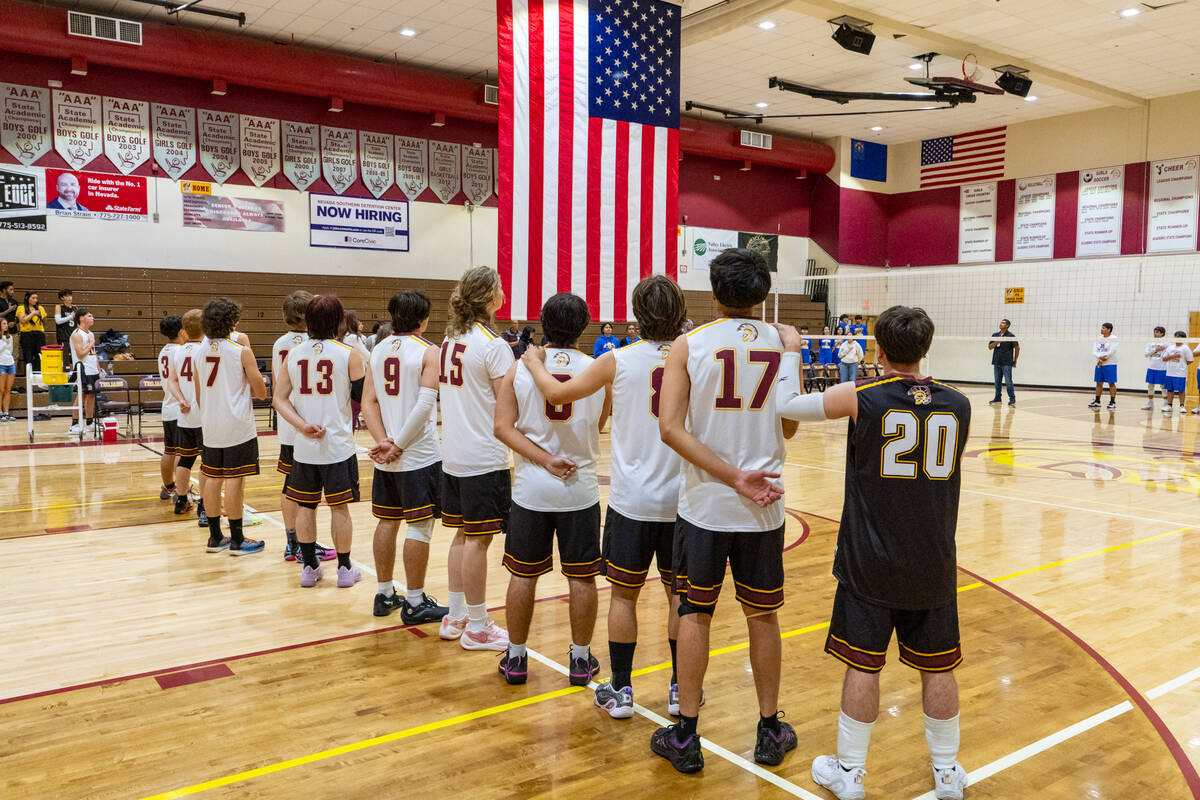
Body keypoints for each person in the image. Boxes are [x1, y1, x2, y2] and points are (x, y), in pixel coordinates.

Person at [774, 305, 971, 800]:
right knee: (938, 666)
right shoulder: (960, 404)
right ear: (926, 348)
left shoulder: (861, 397)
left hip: (871, 559)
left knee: (863, 664)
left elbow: (789, 407)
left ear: (877, 350)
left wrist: (793, 350)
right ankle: (947, 774)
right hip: (934, 559)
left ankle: (851, 773)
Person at [651, 248, 796, 774]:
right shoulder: (783, 344)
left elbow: (670, 429)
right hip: (765, 507)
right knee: (763, 616)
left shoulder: (688, 345)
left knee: (695, 613)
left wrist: (731, 476)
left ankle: (687, 735)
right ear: (762, 295)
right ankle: (768, 728)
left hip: (707, 506)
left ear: (713, 293)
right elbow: (791, 424)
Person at [521, 275, 689, 717]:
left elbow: (556, 392)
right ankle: (678, 688)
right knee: (679, 597)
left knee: (624, 597)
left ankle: (621, 689)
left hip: (633, 500)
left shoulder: (617, 360)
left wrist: (535, 359)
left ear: (636, 314)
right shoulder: (694, 358)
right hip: (683, 499)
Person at [495, 292, 611, 685]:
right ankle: (580, 660)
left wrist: (544, 459)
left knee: (523, 576)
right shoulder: (598, 369)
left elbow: (502, 428)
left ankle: (515, 657)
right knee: (582, 578)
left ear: (543, 322)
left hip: (532, 490)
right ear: (585, 327)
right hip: (579, 489)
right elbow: (598, 425)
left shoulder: (521, 368)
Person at [437, 266, 514, 650]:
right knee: (478, 541)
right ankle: (479, 626)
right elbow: (508, 402)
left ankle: (456, 616)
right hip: (483, 455)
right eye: (499, 288)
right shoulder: (493, 345)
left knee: (462, 534)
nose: (504, 293)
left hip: (452, 452)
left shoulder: (451, 337)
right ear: (489, 298)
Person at [361, 290, 449, 623]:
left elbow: (368, 402)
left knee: (387, 520)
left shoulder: (378, 348)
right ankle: (414, 602)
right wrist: (397, 443)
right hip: (418, 453)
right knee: (419, 526)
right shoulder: (429, 350)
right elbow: (425, 403)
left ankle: (384, 593)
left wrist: (383, 440)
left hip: (388, 453)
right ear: (423, 319)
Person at [273, 295, 366, 588]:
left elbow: (278, 399)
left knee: (306, 506)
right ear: (339, 320)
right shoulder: (349, 353)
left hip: (305, 447)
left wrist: (301, 425)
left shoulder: (294, 354)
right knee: (340, 508)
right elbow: (362, 399)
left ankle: (310, 568)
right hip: (337, 444)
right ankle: (344, 569)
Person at [196, 297, 268, 556]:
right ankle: (237, 539)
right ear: (232, 322)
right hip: (236, 424)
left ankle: (216, 538)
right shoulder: (240, 350)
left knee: (213, 480)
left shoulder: (198, 351)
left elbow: (198, 393)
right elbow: (260, 392)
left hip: (211, 425)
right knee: (235, 481)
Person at [271, 290, 336, 565]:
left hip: (289, 421)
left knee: (291, 485)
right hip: (312, 419)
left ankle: (292, 542)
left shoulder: (279, 344)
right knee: (310, 492)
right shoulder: (317, 345)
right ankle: (304, 544)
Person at [166, 309, 209, 524]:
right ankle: (204, 506)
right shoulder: (205, 351)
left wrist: (181, 399)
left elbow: (172, 381)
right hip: (203, 415)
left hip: (185, 414)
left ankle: (181, 500)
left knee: (186, 458)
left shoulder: (179, 351)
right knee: (207, 463)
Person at [157, 315, 186, 503]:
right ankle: (181, 493)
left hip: (167, 406)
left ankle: (167, 487)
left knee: (169, 450)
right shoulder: (181, 352)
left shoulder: (163, 351)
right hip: (180, 407)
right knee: (183, 452)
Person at [68, 308, 98, 435]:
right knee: (81, 395)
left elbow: (94, 354)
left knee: (91, 396)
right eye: (90, 316)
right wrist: (91, 344)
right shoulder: (76, 334)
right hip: (82, 369)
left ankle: (90, 422)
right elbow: (80, 354)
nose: (93, 318)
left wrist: (98, 369)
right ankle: (74, 424)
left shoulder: (90, 334)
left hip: (93, 369)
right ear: (81, 318)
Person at [1159, 331, 1193, 416]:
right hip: (1170, 372)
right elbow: (1164, 359)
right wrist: (1172, 357)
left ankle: (1182, 406)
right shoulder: (1170, 347)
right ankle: (1169, 405)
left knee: (1181, 390)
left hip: (1180, 373)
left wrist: (1182, 366)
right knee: (1170, 390)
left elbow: (1190, 360)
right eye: (1176, 336)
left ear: (1183, 338)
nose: (1177, 338)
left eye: (1179, 337)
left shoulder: (1185, 348)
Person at [988, 318, 1019, 407]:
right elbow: (990, 347)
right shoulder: (995, 335)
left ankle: (1012, 400)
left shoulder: (1011, 336)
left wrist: (1015, 360)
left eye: (1003, 323)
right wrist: (997, 341)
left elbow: (1017, 348)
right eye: (1001, 322)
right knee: (997, 382)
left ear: (1007, 326)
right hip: (996, 362)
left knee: (1008, 382)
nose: (1001, 324)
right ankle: (998, 398)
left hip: (1007, 363)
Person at [1089, 322, 1118, 410]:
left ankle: (1112, 402)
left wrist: (1102, 359)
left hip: (1110, 364)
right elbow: (1094, 351)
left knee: (1111, 383)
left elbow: (1112, 351)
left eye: (1103, 328)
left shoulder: (1114, 338)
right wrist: (1099, 358)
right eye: (1101, 328)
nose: (1101, 329)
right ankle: (1097, 401)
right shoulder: (1098, 339)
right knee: (1098, 382)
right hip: (1099, 363)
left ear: (1109, 330)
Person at [17, 291, 46, 373]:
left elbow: (44, 322)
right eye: (33, 298)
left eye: (36, 298)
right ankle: (28, 375)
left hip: (39, 334)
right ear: (27, 298)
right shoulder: (21, 308)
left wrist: (42, 316)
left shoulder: (40, 308)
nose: (35, 300)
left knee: (39, 355)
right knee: (28, 355)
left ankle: (38, 374)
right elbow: (22, 320)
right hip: (26, 334)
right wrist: (33, 314)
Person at [1143, 326, 1167, 411]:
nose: (1155, 334)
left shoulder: (1166, 343)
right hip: (1152, 367)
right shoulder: (1150, 343)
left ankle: (1165, 404)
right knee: (1150, 385)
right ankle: (1150, 403)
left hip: (1162, 368)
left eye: (1157, 332)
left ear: (1162, 334)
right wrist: (1155, 350)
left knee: (1163, 386)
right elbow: (1146, 354)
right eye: (1154, 332)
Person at [54, 289, 78, 370]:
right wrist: (70, 317)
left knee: (74, 359)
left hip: (74, 337)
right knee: (65, 360)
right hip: (63, 337)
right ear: (62, 298)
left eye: (70, 295)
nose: (69, 298)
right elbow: (58, 321)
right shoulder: (59, 307)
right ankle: (66, 378)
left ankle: (74, 378)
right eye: (67, 296)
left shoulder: (75, 308)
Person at [0, 319, 14, 421]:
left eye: (6, 324)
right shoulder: (3, 339)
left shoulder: (10, 337)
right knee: (1, 390)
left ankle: (6, 413)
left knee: (8, 390)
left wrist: (6, 342)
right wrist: (4, 343)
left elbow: (10, 351)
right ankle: (0, 413)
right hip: (1, 364)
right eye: (4, 324)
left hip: (10, 364)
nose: (6, 326)